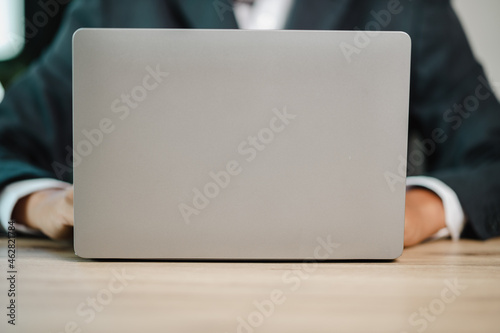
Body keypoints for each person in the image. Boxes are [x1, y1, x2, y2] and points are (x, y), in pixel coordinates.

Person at [1, 0, 499, 246]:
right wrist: (35, 201)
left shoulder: (405, 5)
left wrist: (426, 207)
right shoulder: (114, 5)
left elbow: (491, 151)